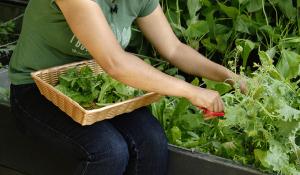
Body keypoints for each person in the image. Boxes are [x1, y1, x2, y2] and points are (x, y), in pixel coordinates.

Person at [8, 0, 246, 174]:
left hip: (94, 89)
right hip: (36, 90)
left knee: (152, 140)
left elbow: (174, 49)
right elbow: (115, 63)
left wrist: (228, 76)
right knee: (108, 150)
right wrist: (192, 91)